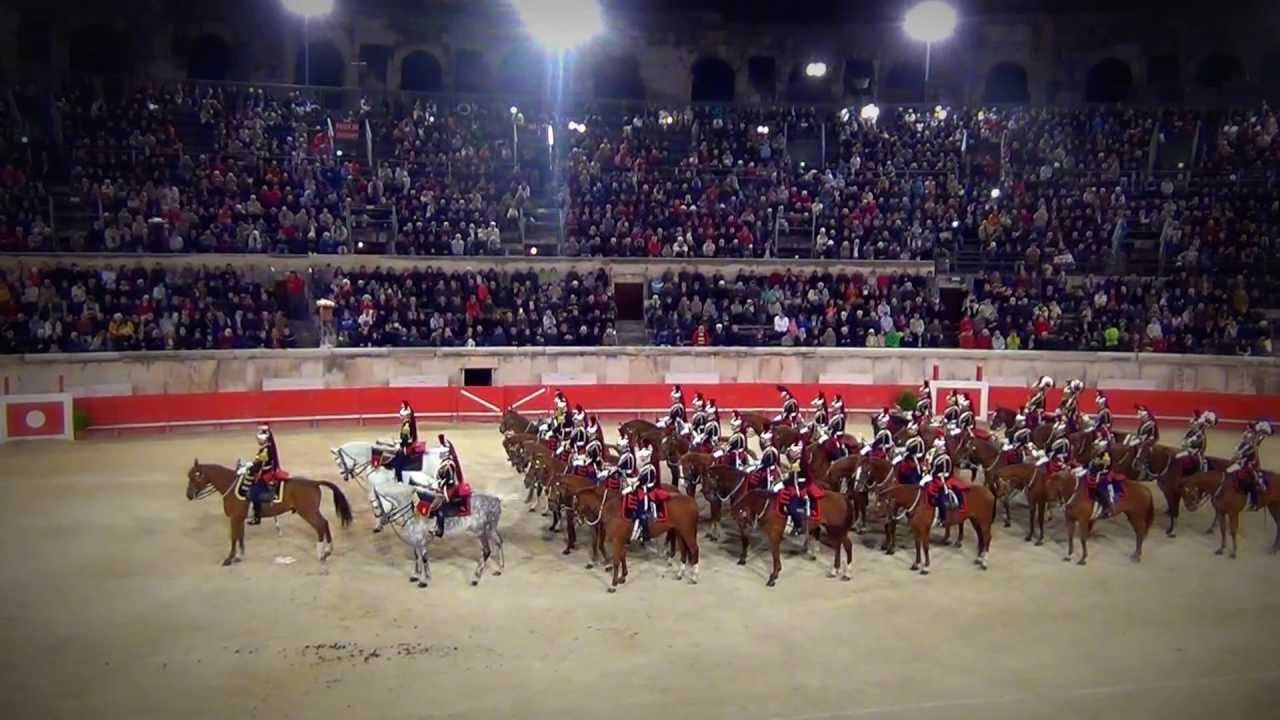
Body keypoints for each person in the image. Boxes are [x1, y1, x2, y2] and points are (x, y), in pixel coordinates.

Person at [432, 434, 471, 537]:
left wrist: (438, 487)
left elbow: (448, 481)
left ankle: (440, 529)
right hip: (445, 486)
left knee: (440, 507)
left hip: (449, 489)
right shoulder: (445, 462)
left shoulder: (449, 465)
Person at [247, 424, 284, 525]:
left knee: (254, 493)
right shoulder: (267, 448)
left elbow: (258, 466)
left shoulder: (265, 450)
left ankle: (257, 517)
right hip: (266, 473)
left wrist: (248, 468)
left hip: (265, 477)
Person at [1231, 420, 1272, 509]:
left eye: (1248, 429)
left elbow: (1254, 453)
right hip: (1244, 461)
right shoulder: (1248, 440)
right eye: (1247, 429)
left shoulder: (1254, 440)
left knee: (1249, 480)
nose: (1246, 431)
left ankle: (1255, 501)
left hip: (1250, 462)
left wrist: (1251, 461)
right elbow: (1240, 450)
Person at [777, 440, 809, 535]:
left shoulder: (799, 464)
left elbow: (794, 479)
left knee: (792, 507)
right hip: (795, 486)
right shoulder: (796, 463)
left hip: (799, 489)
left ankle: (799, 526)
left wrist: (784, 484)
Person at [924, 449, 963, 528]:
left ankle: (943, 518)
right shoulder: (948, 459)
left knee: (941, 498)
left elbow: (934, 471)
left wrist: (929, 473)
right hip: (946, 478)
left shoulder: (939, 459)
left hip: (941, 479)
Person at [390, 400, 424, 484]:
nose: (400, 417)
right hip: (408, 446)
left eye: (401, 416)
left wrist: (399, 445)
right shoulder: (409, 424)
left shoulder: (406, 426)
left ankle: (400, 482)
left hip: (407, 449)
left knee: (397, 465)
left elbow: (407, 441)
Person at [1176, 410, 1217, 476]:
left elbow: (1200, 449)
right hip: (1191, 450)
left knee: (1179, 457)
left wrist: (1189, 447)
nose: (1192, 425)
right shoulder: (1193, 432)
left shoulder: (1200, 435)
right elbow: (1184, 442)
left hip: (1194, 452)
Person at [1086, 449, 1117, 518]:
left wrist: (1098, 463)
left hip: (1103, 474)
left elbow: (1105, 466)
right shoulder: (1098, 454)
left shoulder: (1106, 456)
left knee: (1099, 490)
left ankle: (1106, 507)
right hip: (1094, 473)